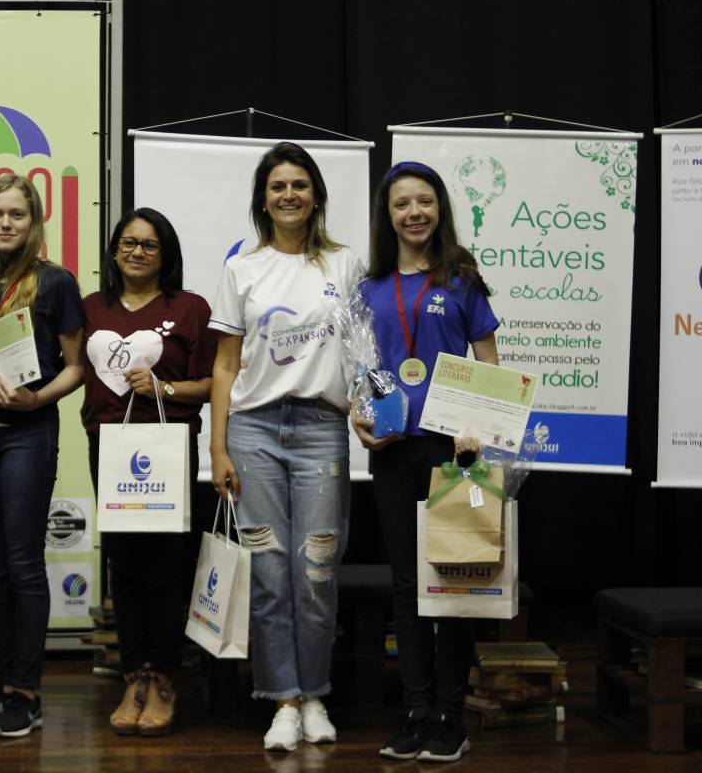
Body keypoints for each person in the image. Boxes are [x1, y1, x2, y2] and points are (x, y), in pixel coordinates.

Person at [209, 142, 363, 752]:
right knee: (270, 574)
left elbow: (363, 353)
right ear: (263, 199)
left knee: (316, 571)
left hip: (321, 428)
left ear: (316, 195)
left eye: (299, 184)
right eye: (278, 186)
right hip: (253, 431)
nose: (289, 195)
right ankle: (284, 701)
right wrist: (217, 448)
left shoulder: (345, 265)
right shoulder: (241, 269)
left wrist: (371, 409)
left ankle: (315, 693)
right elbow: (225, 366)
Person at [353, 161, 499, 764]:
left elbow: (489, 363)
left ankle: (450, 717)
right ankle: (415, 713)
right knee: (407, 585)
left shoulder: (461, 279)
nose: (414, 212)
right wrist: (360, 418)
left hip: (452, 452)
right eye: (401, 204)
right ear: (387, 216)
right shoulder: (369, 288)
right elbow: (362, 368)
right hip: (393, 451)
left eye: (425, 202)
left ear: (439, 209)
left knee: (454, 581)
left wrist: (480, 428)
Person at [0, 174, 85, 739]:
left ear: (34, 222)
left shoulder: (56, 282)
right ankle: (5, 684)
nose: (5, 224)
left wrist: (37, 399)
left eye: (17, 215)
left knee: (24, 563)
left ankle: (26, 693)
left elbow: (77, 368)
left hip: (27, 433)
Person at [80, 208, 214, 736]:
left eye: (149, 244)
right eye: (128, 243)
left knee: (166, 567)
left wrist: (165, 388)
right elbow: (73, 367)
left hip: (168, 448)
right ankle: (133, 675)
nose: (137, 252)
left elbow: (214, 382)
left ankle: (164, 677)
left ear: (166, 255)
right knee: (124, 566)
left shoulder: (191, 309)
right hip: (108, 448)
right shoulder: (92, 307)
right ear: (115, 251)